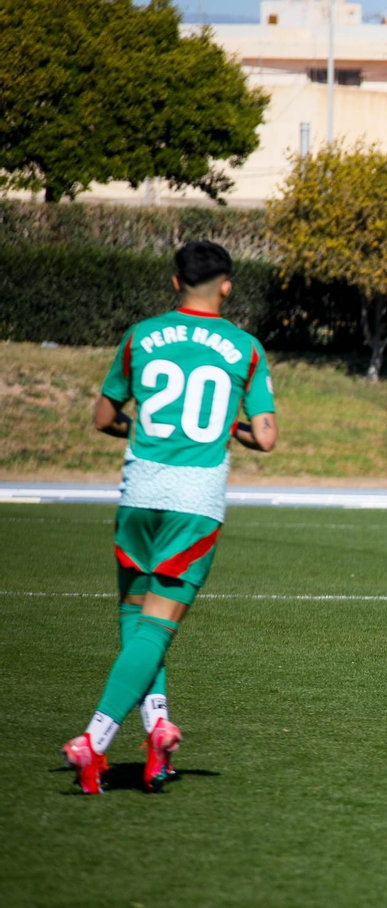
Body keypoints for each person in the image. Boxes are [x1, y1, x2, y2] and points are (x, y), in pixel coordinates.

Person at [61, 241, 278, 794]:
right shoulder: (244, 347)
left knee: (136, 624)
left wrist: (138, 430)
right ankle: (95, 739)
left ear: (174, 281)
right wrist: (232, 429)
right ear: (226, 286)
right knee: (156, 628)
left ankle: (158, 732)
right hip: (195, 502)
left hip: (140, 492)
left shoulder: (140, 336)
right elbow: (268, 438)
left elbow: (104, 417)